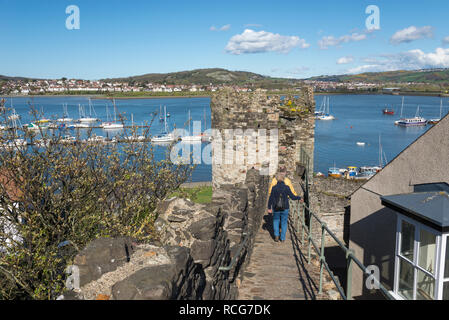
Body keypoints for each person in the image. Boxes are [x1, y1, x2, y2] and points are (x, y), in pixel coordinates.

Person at [267, 173, 302, 243]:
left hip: (276, 207)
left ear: (276, 179)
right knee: (284, 222)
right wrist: (299, 198)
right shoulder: (287, 187)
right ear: (284, 179)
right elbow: (292, 197)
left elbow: (270, 198)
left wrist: (269, 208)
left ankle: (276, 235)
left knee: (276, 220)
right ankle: (282, 238)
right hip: (285, 207)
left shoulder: (274, 188)